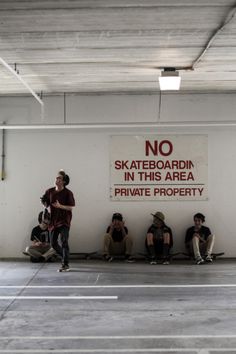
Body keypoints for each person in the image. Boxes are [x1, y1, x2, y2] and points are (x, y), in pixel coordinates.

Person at [41, 170, 75, 272]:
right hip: (53, 222)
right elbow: (44, 199)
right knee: (53, 244)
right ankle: (65, 256)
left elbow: (71, 207)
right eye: (57, 178)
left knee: (64, 241)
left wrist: (60, 206)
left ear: (64, 181)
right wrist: (45, 204)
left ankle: (65, 264)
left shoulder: (68, 193)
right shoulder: (50, 191)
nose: (57, 179)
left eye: (59, 178)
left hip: (64, 221)